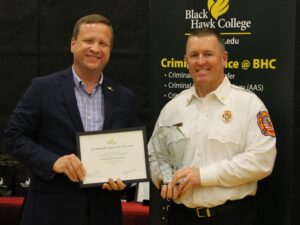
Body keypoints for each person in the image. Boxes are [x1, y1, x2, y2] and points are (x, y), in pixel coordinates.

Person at [4, 14, 140, 225]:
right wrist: (54, 162)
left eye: (103, 43)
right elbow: (13, 137)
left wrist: (126, 180)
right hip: (49, 213)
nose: (95, 48)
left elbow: (133, 156)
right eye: (88, 41)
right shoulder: (42, 89)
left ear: (109, 50)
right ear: (73, 44)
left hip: (103, 214)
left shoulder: (125, 98)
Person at [148, 28, 276, 225]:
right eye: (194, 55)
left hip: (232, 216)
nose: (200, 62)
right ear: (186, 61)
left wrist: (202, 176)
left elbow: (262, 160)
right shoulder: (172, 108)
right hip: (180, 217)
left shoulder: (249, 104)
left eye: (208, 54)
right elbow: (156, 155)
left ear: (224, 58)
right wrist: (165, 180)